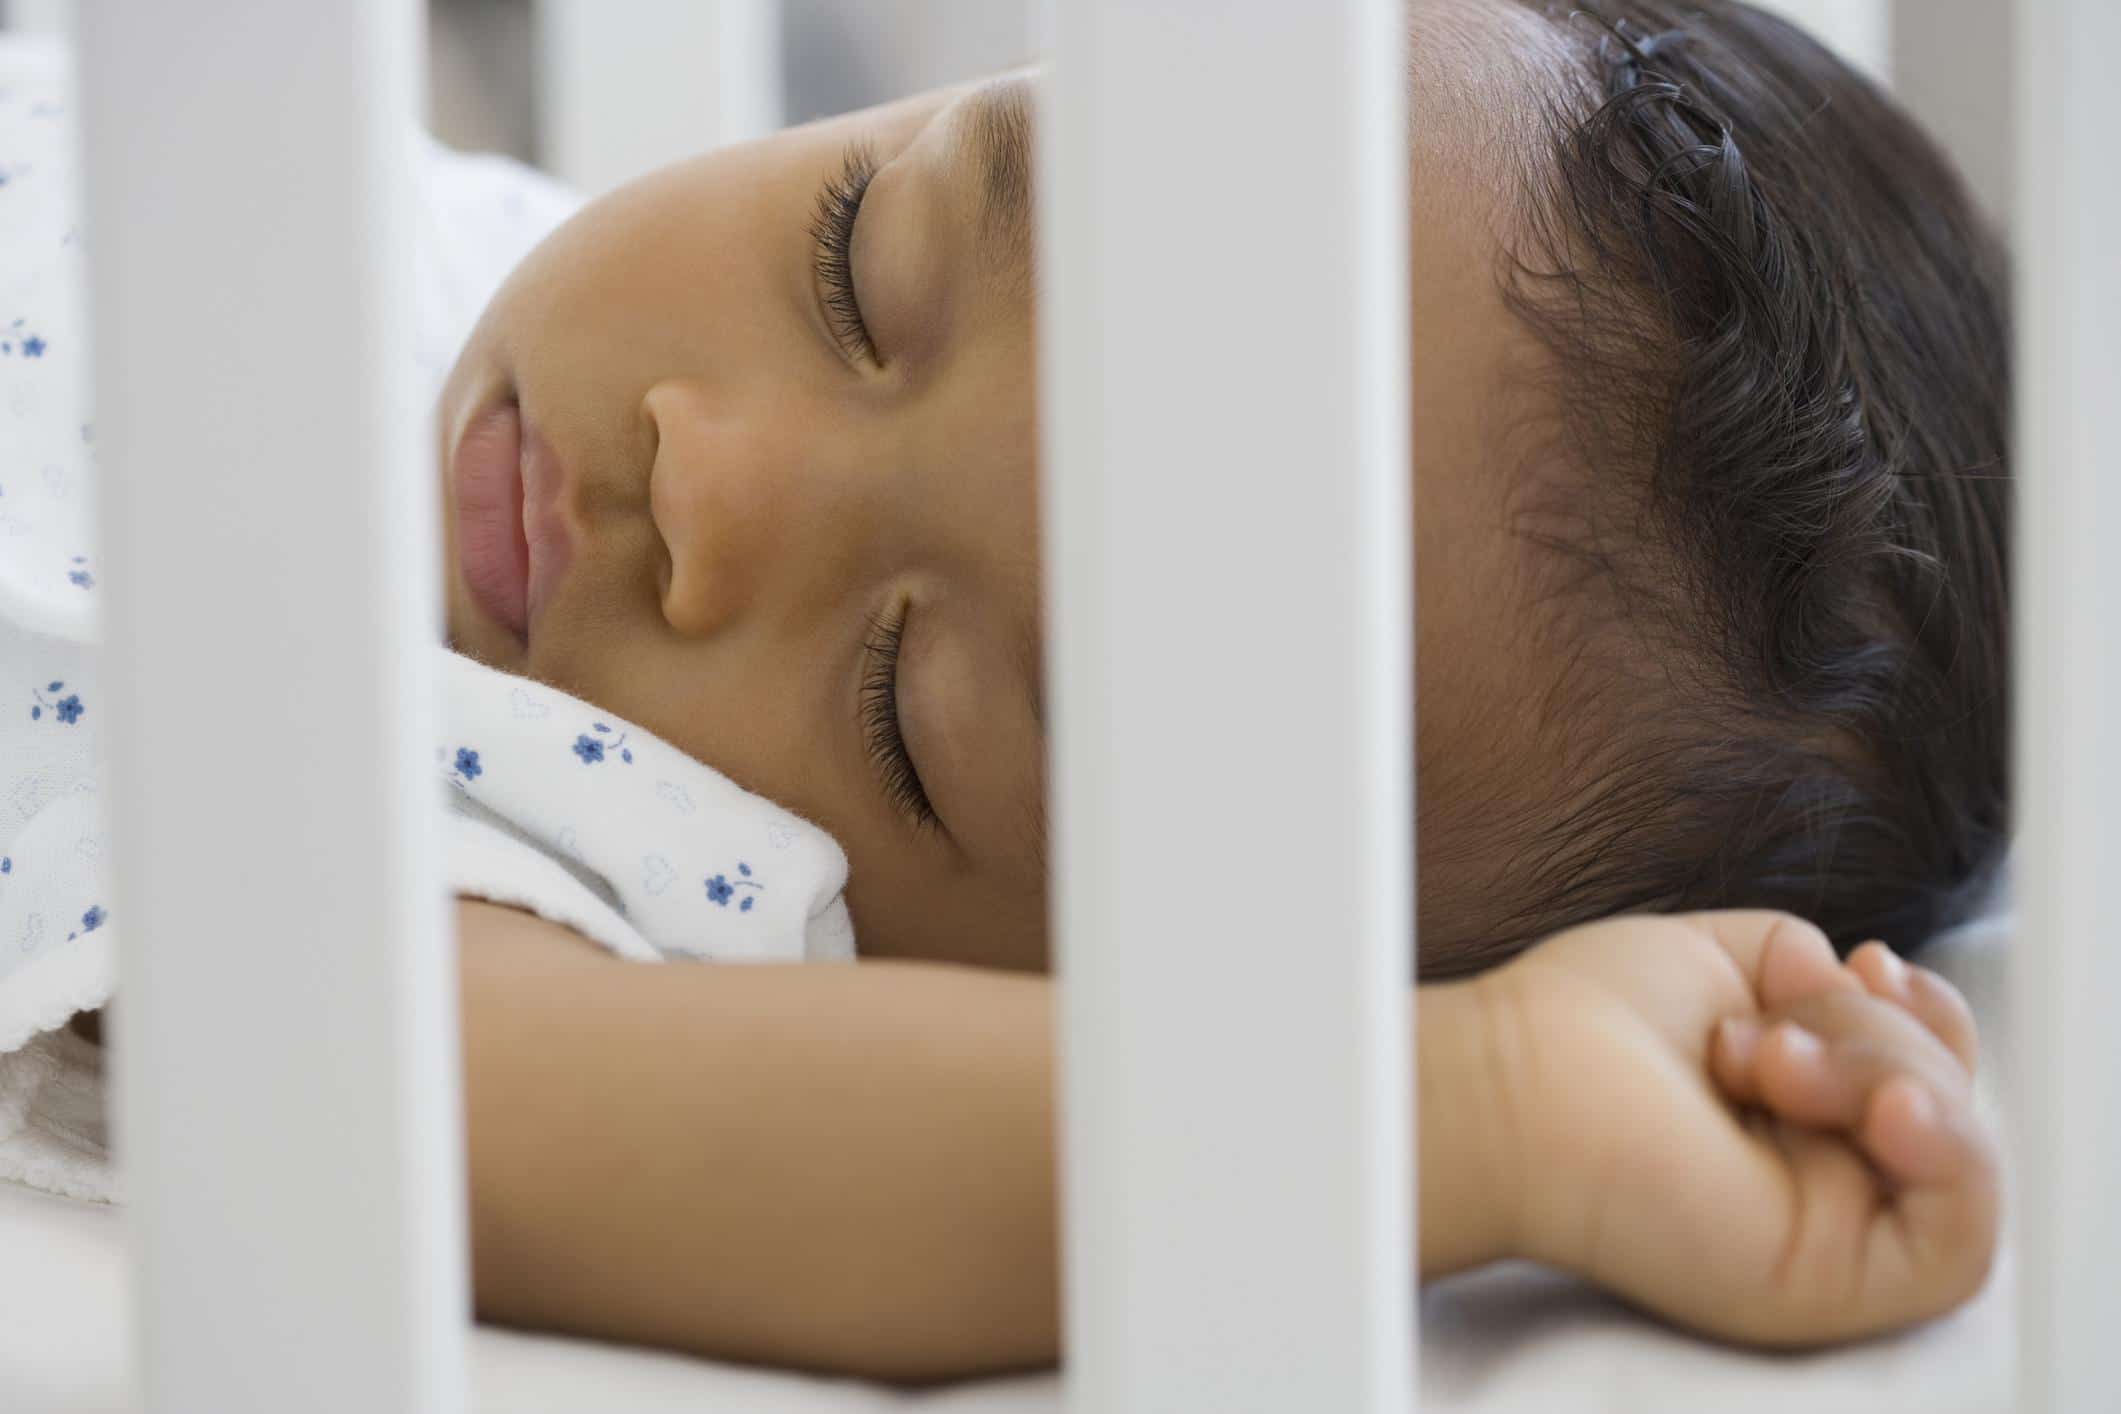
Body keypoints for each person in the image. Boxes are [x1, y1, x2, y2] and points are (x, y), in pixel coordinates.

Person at [92, 0, 2023, 1380]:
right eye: (863, 255)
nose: (706, 479)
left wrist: (1477, 1104)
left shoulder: (522, 855)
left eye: (905, 714)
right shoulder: (363, 182)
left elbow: (452, 1109)